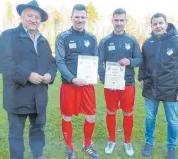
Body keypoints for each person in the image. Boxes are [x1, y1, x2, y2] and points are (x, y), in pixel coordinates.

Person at [0, 1, 57, 159]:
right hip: (17, 97)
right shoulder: (9, 36)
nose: (34, 20)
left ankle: (38, 155)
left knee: (38, 130)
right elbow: (2, 62)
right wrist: (28, 75)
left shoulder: (43, 40)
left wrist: (50, 74)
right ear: (21, 16)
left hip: (39, 96)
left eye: (37, 17)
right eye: (30, 15)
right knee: (15, 135)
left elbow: (52, 63)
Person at [138, 13, 178, 159]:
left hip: (172, 90)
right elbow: (143, 64)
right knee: (150, 118)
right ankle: (149, 143)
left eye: (160, 23)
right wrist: (141, 78)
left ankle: (171, 147)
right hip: (151, 88)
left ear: (166, 23)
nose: (158, 26)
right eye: (154, 24)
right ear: (151, 26)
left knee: (172, 120)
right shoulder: (148, 43)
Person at [55, 4, 100, 159]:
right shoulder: (63, 37)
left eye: (82, 17)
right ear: (72, 18)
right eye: (77, 17)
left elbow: (96, 60)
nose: (80, 20)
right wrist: (72, 78)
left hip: (87, 86)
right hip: (69, 85)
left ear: (86, 18)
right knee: (67, 116)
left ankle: (87, 145)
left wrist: (96, 74)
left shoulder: (92, 38)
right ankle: (69, 148)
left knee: (91, 116)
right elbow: (59, 61)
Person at [98, 8, 142, 156]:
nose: (118, 23)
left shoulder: (132, 40)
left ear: (125, 21)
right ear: (112, 21)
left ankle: (127, 142)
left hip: (128, 84)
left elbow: (140, 59)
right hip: (110, 85)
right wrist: (105, 79)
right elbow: (98, 62)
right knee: (111, 112)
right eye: (116, 20)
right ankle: (111, 140)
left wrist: (129, 61)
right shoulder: (105, 41)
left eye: (121, 20)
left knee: (128, 113)